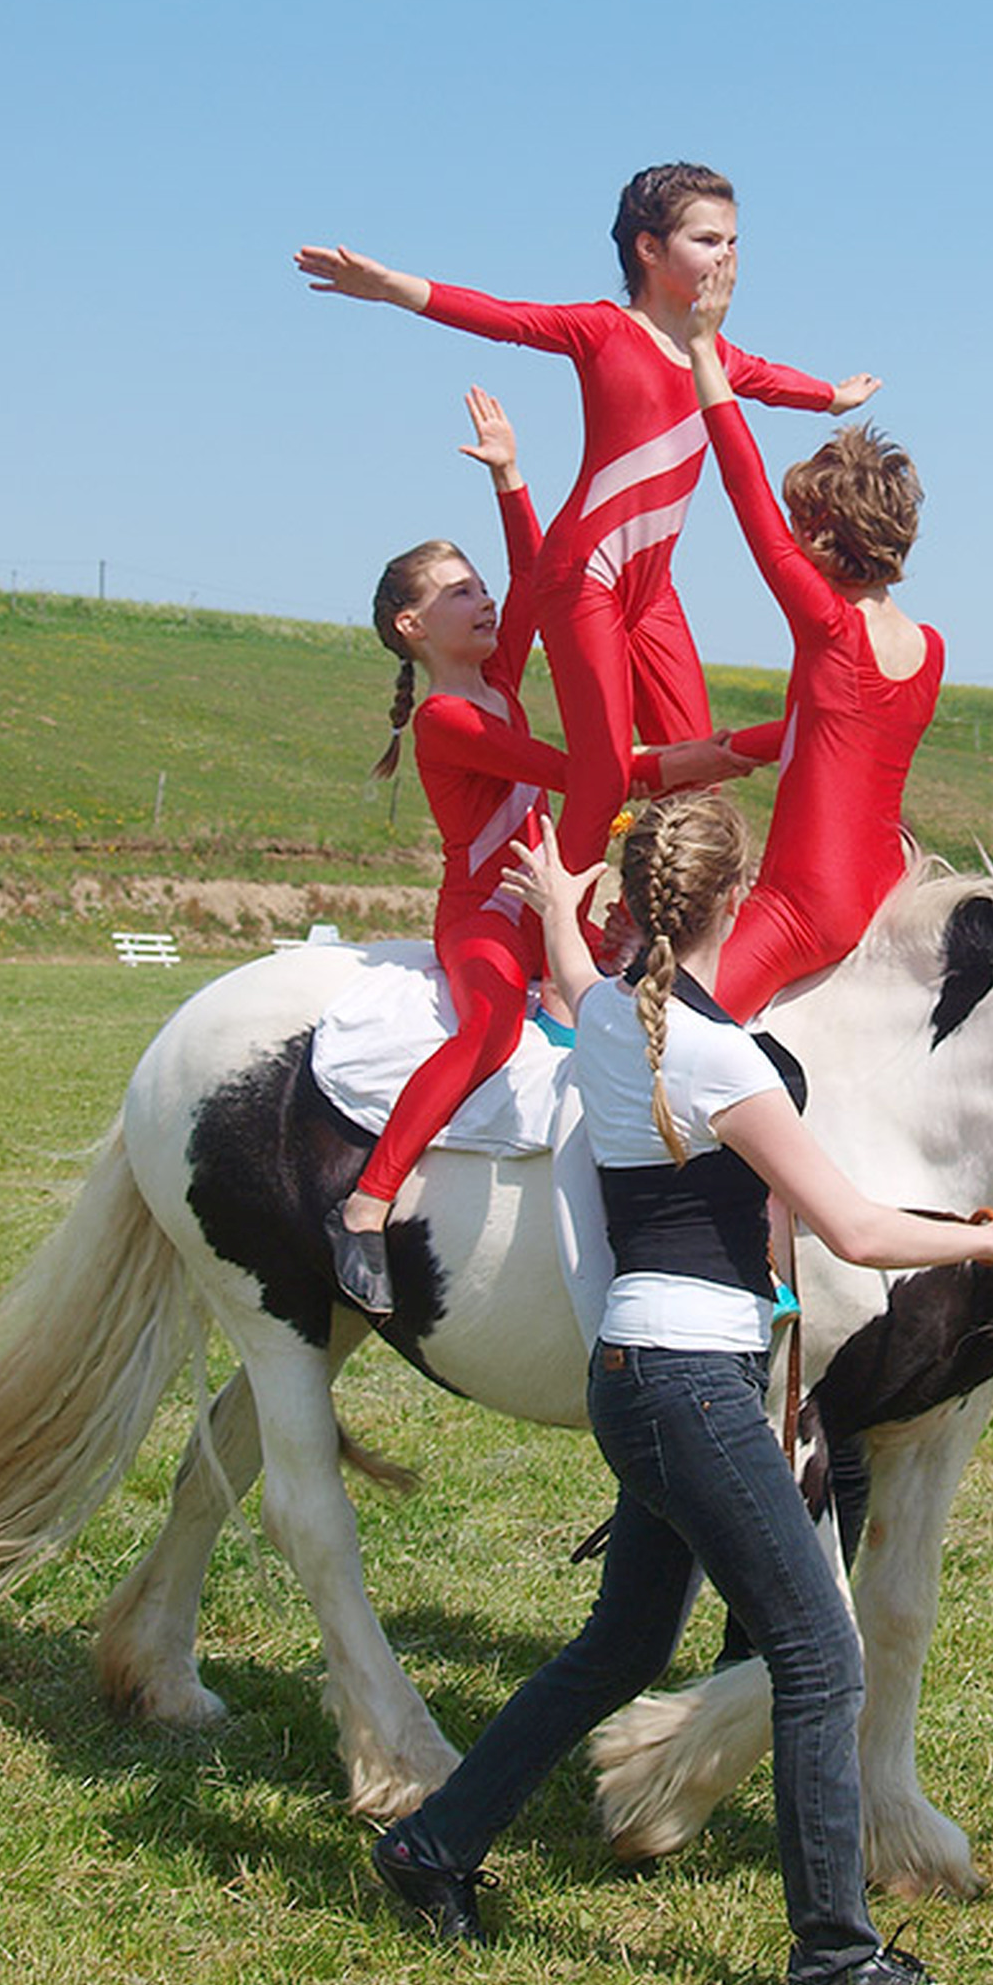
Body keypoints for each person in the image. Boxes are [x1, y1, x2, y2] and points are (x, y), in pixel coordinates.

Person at [368, 796, 993, 1985]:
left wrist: (566, 921)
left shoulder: (620, 1024)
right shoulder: (722, 1055)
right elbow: (853, 1226)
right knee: (822, 1658)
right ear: (743, 897)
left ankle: (429, 1846)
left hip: (646, 1379)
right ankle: (835, 1959)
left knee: (622, 1645)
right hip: (689, 1384)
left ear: (642, 903)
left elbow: (577, 990)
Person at [297, 165, 877, 934]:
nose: (728, 257)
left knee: (700, 778)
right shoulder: (604, 331)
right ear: (648, 248)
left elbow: (770, 380)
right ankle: (557, 939)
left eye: (735, 241)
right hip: (586, 578)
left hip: (652, 591)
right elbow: (506, 318)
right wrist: (392, 287)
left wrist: (831, 397)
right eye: (708, 240)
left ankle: (662, 935)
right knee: (601, 780)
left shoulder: (719, 359)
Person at [328, 387, 571, 1317]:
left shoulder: (501, 678)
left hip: (549, 906)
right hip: (485, 919)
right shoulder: (448, 715)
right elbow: (560, 767)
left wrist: (512, 476)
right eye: (458, 592)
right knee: (491, 1031)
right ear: (412, 628)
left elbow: (539, 581)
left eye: (480, 585)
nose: (485, 599)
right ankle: (368, 1202)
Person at [684, 284, 942, 1021]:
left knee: (656, 1043)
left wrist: (705, 355)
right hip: (884, 888)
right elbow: (838, 734)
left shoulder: (828, 625)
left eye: (801, 523)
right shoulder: (929, 650)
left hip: (804, 902)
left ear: (824, 530)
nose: (789, 536)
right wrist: (722, 750)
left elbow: (744, 493)